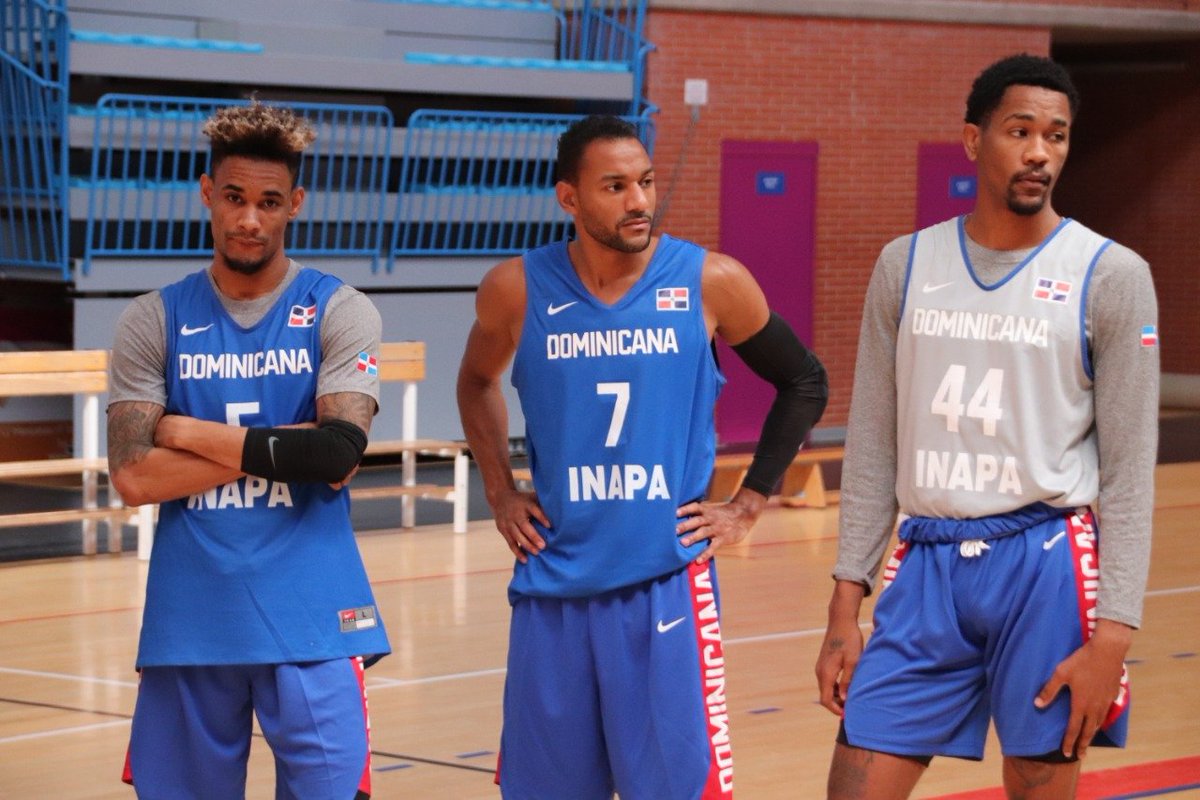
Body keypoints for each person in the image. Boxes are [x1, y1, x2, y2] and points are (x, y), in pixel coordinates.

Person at [814, 54, 1159, 799]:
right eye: (1021, 131)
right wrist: (847, 601)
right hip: (928, 562)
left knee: (1038, 780)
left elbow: (1131, 472)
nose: (1041, 152)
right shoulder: (904, 265)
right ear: (974, 141)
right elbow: (873, 442)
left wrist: (1114, 636)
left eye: (1058, 136)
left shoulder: (1111, 275)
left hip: (1045, 561)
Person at [457, 115, 828, 799]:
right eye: (617, 186)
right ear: (569, 198)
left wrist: (750, 500)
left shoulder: (711, 279)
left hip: (665, 582)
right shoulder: (516, 288)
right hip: (552, 587)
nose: (639, 202)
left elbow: (804, 380)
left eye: (647, 182)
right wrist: (502, 492)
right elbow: (476, 381)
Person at [107, 101, 389, 800]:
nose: (249, 220)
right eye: (233, 198)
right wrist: (280, 446)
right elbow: (135, 479)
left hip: (315, 616)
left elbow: (336, 455)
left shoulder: (339, 308)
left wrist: (182, 429)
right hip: (191, 618)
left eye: (268, 202)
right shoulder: (154, 319)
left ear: (295, 202)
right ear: (208, 192)